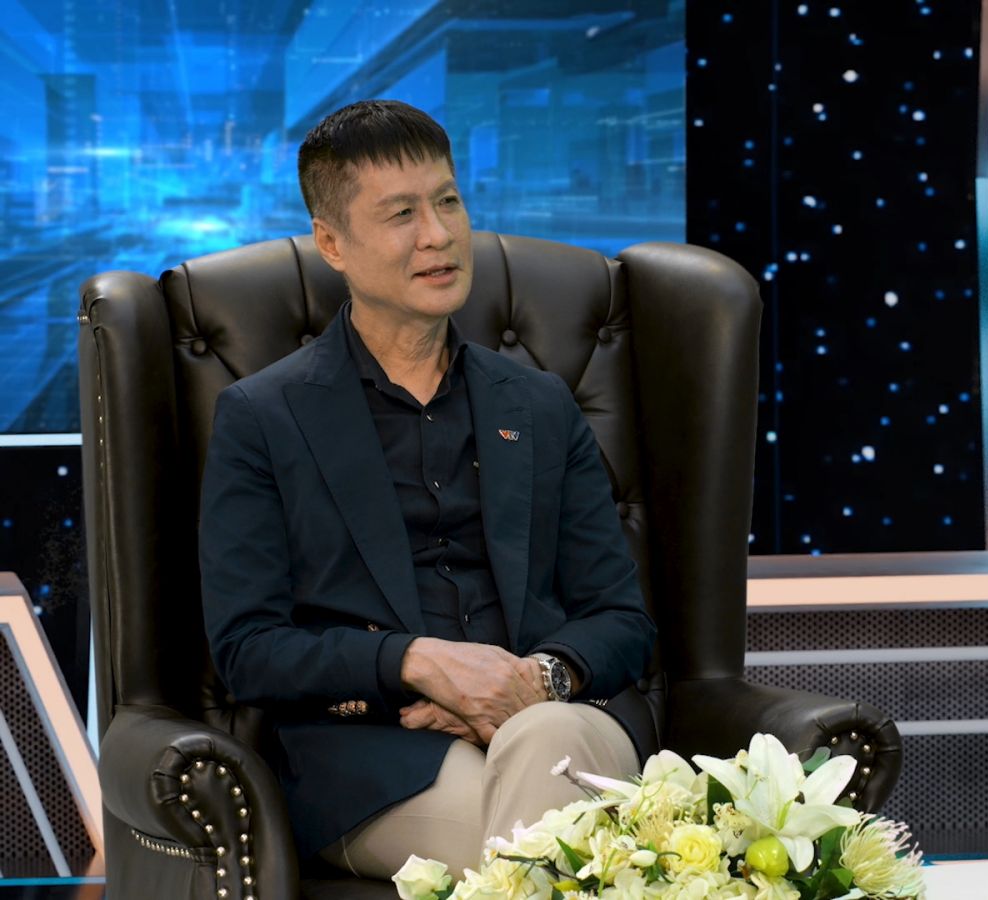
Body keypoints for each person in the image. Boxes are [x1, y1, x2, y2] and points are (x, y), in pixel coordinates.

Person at [198, 99, 656, 879]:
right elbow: (249, 649)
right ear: (332, 243)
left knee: (541, 756)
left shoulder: (539, 404)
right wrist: (416, 662)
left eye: (448, 201)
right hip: (377, 760)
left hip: (559, 723)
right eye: (402, 213)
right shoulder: (264, 417)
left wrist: (529, 683)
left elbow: (622, 620)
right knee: (547, 842)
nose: (438, 234)